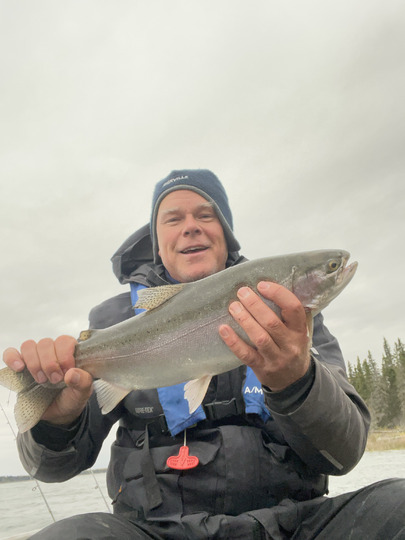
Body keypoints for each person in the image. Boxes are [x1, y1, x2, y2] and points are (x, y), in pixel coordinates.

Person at [3, 169, 405, 540]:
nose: (191, 225)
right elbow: (51, 468)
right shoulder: (113, 321)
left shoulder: (298, 323)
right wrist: (54, 422)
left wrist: (299, 382)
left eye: (206, 215)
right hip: (154, 531)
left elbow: (346, 452)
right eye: (173, 218)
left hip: (296, 524)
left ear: (226, 234)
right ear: (157, 242)